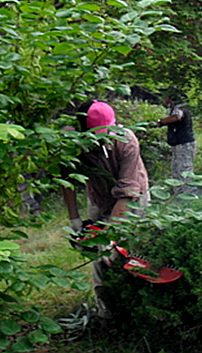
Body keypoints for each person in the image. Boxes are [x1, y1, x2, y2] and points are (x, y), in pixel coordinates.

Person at [61, 99, 149, 321]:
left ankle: (135, 307)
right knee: (98, 257)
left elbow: (128, 191)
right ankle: (106, 312)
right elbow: (67, 181)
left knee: (123, 251)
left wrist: (109, 235)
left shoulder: (126, 141)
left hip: (132, 199)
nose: (103, 137)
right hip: (99, 198)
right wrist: (75, 221)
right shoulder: (70, 144)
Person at [155, 90, 197, 195]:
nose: (165, 100)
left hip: (184, 143)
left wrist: (161, 122)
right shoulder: (180, 107)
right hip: (179, 143)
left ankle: (189, 194)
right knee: (176, 169)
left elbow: (177, 117)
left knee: (185, 169)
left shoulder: (180, 107)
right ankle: (178, 193)